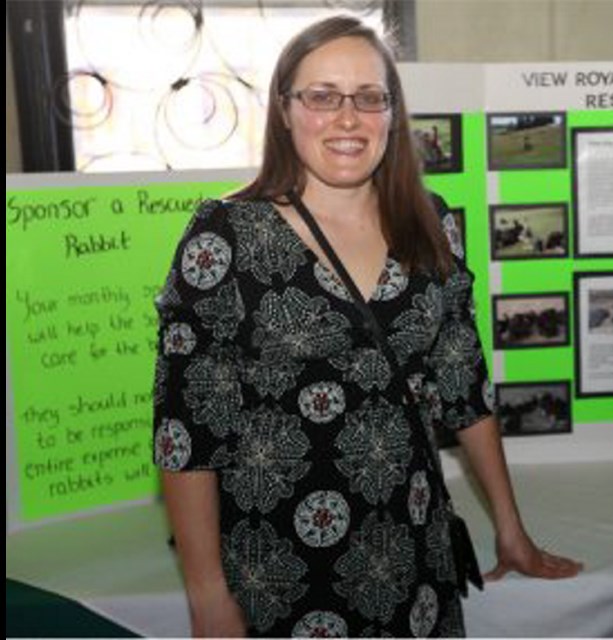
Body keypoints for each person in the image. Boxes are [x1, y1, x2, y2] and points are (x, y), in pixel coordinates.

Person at [152, 15, 580, 638]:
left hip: (416, 556)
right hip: (280, 575)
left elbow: (466, 386)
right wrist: (208, 598)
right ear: (284, 110)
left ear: (391, 112)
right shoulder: (224, 237)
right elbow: (185, 433)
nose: (347, 119)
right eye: (322, 97)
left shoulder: (431, 224)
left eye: (369, 98)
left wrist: (512, 533)